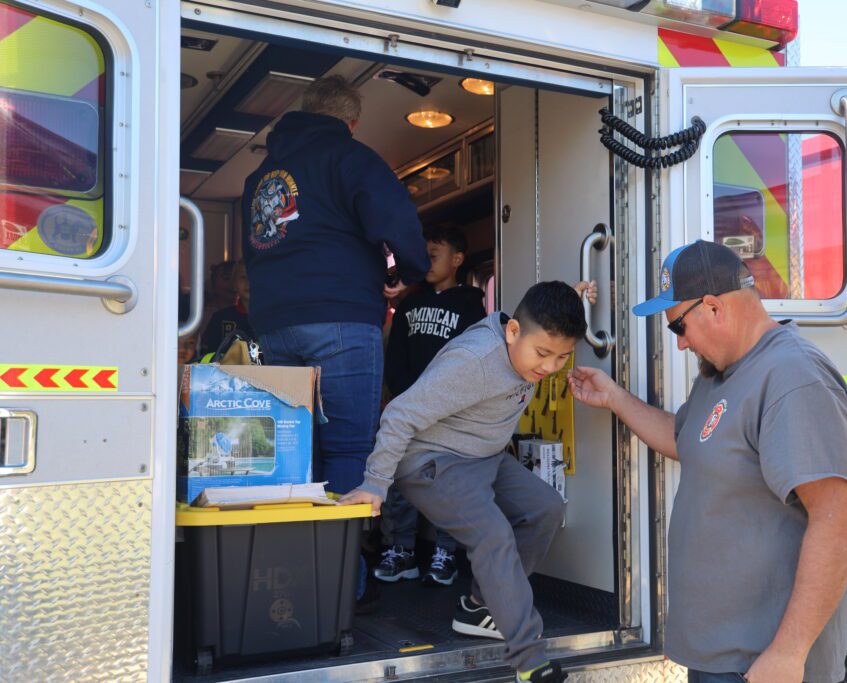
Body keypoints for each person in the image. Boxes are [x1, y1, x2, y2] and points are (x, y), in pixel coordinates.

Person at [569, 240, 847, 683]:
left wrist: (789, 652)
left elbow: (838, 518)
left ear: (712, 307)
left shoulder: (793, 377)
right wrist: (614, 398)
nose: (682, 345)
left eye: (678, 328)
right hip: (720, 657)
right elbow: (686, 439)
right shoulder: (720, 374)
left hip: (761, 664)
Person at [340, 281, 596, 683]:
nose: (548, 367)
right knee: (493, 536)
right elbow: (399, 414)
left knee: (546, 508)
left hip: (484, 455)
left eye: (562, 357)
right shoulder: (474, 362)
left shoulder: (530, 336)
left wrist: (575, 296)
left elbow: (547, 319)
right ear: (513, 331)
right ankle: (530, 660)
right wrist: (375, 483)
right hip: (432, 462)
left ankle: (479, 605)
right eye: (543, 354)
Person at [241, 75, 430, 601]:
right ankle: (338, 583)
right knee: (348, 447)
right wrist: (406, 269)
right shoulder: (349, 156)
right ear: (350, 121)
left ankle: (292, 574)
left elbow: (255, 247)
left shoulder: (260, 176)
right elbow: (395, 218)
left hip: (275, 322)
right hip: (341, 317)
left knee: (294, 449)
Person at [376, 224, 487, 586]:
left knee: (448, 478)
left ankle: (444, 551)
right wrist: (406, 394)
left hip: (451, 408)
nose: (427, 262)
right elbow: (396, 355)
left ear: (457, 260)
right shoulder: (410, 303)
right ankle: (402, 550)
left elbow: (473, 357)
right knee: (401, 477)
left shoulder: (472, 305)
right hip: (411, 403)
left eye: (434, 255)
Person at [199, 261, 254, 355]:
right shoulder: (220, 318)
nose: (248, 282)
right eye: (243, 277)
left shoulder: (272, 317)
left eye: (254, 276)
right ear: (234, 284)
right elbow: (208, 354)